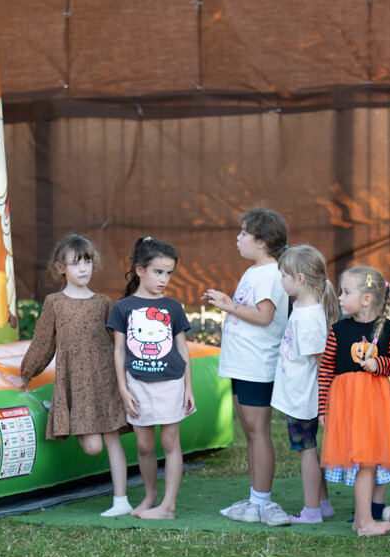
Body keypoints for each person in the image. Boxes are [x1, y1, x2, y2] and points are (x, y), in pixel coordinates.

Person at [18, 235, 133, 517]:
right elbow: (43, 343)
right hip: (77, 385)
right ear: (61, 268)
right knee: (93, 448)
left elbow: (119, 344)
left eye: (88, 261)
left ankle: (121, 500)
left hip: (105, 381)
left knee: (112, 439)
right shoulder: (55, 303)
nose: (83, 269)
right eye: (76, 263)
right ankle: (58, 410)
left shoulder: (103, 302)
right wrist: (25, 374)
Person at [202, 208, 290, 526]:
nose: (237, 238)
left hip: (257, 365)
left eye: (243, 233)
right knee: (251, 434)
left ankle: (263, 501)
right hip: (243, 365)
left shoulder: (270, 273)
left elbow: (264, 316)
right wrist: (230, 302)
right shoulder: (256, 271)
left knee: (258, 432)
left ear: (262, 241)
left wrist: (228, 304)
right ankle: (255, 500)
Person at [318, 266, 390, 537]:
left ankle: (362, 521)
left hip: (375, 405)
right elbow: (326, 371)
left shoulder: (389, 329)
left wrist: (379, 362)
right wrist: (324, 407)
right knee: (364, 462)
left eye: (346, 293)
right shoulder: (338, 330)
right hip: (348, 406)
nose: (340, 299)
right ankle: (365, 523)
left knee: (369, 462)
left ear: (367, 299)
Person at [108, 236, 195, 520]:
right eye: (158, 272)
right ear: (140, 270)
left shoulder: (173, 307)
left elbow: (183, 348)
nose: (164, 279)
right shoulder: (122, 308)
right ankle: (151, 496)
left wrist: (187, 387)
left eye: (169, 273)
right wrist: (123, 389)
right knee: (144, 445)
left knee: (170, 444)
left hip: (171, 383)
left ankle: (168, 507)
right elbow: (119, 351)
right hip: (137, 385)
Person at [270, 245, 339, 524]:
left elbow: (324, 363)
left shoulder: (309, 318)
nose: (280, 281)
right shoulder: (301, 306)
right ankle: (322, 504)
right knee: (308, 448)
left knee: (307, 450)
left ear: (300, 278)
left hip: (305, 399)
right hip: (299, 395)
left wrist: (324, 402)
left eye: (284, 275)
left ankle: (311, 511)